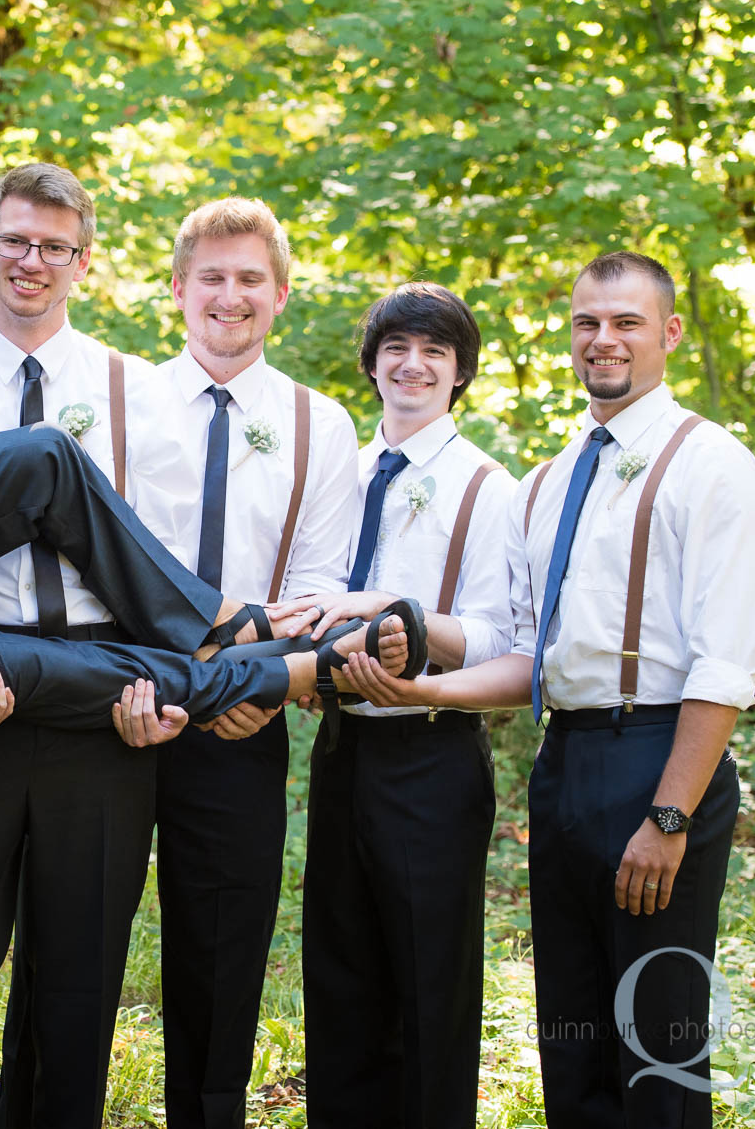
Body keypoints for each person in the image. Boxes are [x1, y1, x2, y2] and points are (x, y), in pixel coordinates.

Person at [344, 251, 755, 1129]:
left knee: (658, 1043)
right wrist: (421, 687)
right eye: (587, 323)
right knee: (571, 1038)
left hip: (658, 762)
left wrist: (671, 816)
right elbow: (527, 652)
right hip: (565, 762)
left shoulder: (711, 465)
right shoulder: (545, 481)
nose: (603, 340)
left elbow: (724, 664)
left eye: (626, 323)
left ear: (670, 334)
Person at [0, 162, 245, 1128]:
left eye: (55, 247)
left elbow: (161, 559)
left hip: (102, 701)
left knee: (76, 989)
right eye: (15, 241)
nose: (32, 262)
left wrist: (162, 690)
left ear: (84, 262)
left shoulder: (139, 390)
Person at [115, 198, 360, 1129]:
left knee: (223, 950)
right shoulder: (118, 403)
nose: (230, 295)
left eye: (250, 278)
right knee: (78, 940)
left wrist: (247, 685)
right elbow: (108, 561)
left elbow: (316, 586)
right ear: (178, 290)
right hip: (124, 703)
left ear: (281, 294)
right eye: (211, 277)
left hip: (244, 719)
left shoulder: (320, 424)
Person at [279, 282, 516, 1128]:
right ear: (372, 364)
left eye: (435, 353)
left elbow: (497, 634)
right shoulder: (332, 476)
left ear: (460, 374)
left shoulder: (489, 487)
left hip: (432, 751)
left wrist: (402, 622)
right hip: (340, 747)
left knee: (429, 980)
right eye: (396, 349)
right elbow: (301, 593)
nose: (412, 365)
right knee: (339, 974)